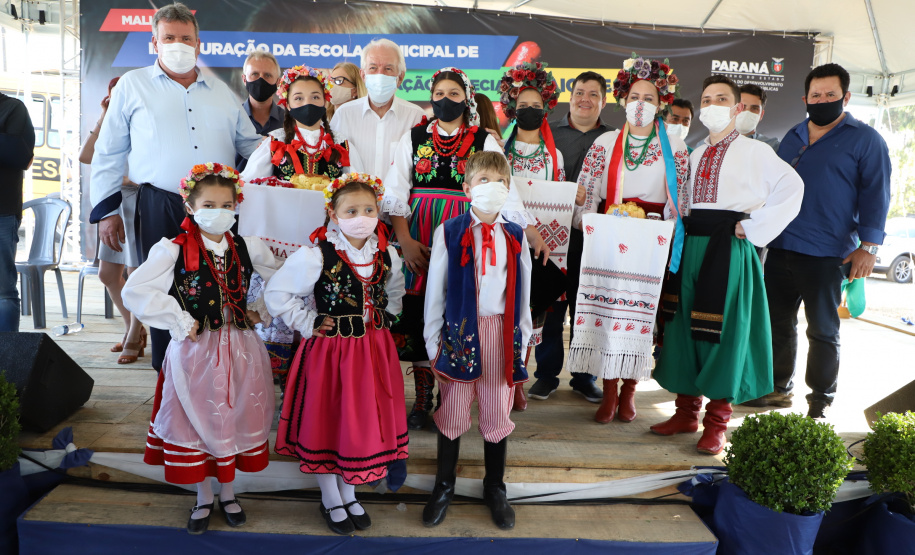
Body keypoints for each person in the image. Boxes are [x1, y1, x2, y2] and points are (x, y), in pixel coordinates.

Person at [90, 2, 263, 373]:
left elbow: (251, 147)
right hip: (159, 204)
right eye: (169, 38)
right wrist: (105, 211)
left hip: (216, 211)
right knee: (162, 287)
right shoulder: (132, 86)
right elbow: (108, 152)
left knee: (215, 286)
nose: (178, 45)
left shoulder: (221, 92)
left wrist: (293, 147)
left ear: (199, 44)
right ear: (155, 42)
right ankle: (167, 373)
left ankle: (214, 372)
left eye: (186, 38)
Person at [650, 75, 804, 454]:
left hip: (728, 249)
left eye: (722, 98)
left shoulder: (756, 152)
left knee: (724, 332)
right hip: (691, 246)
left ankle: (717, 421)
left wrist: (753, 226)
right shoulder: (696, 152)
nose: (712, 104)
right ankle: (686, 412)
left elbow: (793, 187)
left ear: (737, 107)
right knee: (685, 325)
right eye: (706, 99)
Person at [122, 164, 279, 534]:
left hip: (241, 348)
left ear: (237, 205)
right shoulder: (173, 249)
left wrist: (262, 308)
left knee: (233, 414)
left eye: (227, 204)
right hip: (197, 350)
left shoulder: (247, 245)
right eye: (209, 203)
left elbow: (281, 277)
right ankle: (203, 494)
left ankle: (229, 492)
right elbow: (135, 290)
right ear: (190, 206)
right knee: (198, 419)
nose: (219, 210)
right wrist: (177, 319)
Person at [383, 67, 539, 431]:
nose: (445, 100)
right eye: (439, 93)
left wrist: (530, 232)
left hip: (464, 230)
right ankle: (423, 395)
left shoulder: (482, 140)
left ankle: (453, 391)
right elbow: (396, 192)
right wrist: (405, 241)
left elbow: (506, 189)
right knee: (419, 311)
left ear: (467, 99)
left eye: (454, 94)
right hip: (419, 230)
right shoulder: (413, 136)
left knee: (457, 304)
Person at [267, 173, 407, 535]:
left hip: (373, 351)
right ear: (333, 212)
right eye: (351, 210)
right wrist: (308, 320)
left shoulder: (386, 253)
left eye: (369, 209)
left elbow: (395, 290)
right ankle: (331, 495)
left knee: (359, 420)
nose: (361, 215)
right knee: (330, 418)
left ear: (379, 212)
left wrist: (386, 317)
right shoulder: (317, 255)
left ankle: (350, 490)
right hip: (331, 354)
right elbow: (278, 293)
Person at [751, 63, 891, 418]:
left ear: (845, 97)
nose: (823, 100)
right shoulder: (793, 136)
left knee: (824, 330)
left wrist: (869, 248)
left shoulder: (866, 139)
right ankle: (777, 387)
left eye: (831, 94)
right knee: (777, 324)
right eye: (816, 95)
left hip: (828, 253)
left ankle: (820, 401)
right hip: (780, 246)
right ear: (805, 99)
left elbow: (877, 195)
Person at [574, 54, 690, 424]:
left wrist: (666, 238)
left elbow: (679, 203)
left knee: (642, 319)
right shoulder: (605, 143)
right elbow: (586, 194)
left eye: (650, 98)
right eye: (635, 97)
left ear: (661, 104)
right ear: (624, 100)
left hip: (650, 247)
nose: (641, 104)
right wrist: (592, 225)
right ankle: (608, 391)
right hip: (609, 242)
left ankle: (629, 392)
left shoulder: (677, 148)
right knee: (607, 315)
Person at [422, 151, 532, 530]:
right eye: (484, 181)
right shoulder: (450, 231)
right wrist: (433, 339)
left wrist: (525, 336)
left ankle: (495, 487)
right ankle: (443, 485)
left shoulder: (514, 234)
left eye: (500, 182)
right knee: (452, 408)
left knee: (496, 411)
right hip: (459, 334)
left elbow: (524, 292)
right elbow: (436, 290)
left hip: (501, 333)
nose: (493, 188)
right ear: (467, 188)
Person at [241, 64, 362, 379]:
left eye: (314, 96)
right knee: (279, 305)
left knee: (318, 302)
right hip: (278, 247)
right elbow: (248, 187)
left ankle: (314, 382)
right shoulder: (275, 142)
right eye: (298, 97)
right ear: (287, 102)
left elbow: (356, 188)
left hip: (324, 245)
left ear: (326, 100)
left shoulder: (343, 144)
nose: (307, 103)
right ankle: (276, 384)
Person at [531, 71, 612, 404]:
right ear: (570, 96)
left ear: (604, 101)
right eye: (580, 92)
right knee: (550, 302)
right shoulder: (547, 133)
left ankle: (584, 377)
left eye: (594, 94)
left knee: (586, 304)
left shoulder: (613, 139)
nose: (585, 99)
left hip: (593, 236)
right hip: (549, 233)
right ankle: (546, 375)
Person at [498, 62, 574, 410]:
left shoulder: (554, 155)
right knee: (502, 311)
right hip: (506, 238)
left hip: (544, 243)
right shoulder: (500, 149)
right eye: (522, 106)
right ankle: (500, 377)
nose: (529, 111)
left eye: (535, 106)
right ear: (512, 109)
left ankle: (519, 379)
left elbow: (559, 198)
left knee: (532, 314)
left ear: (546, 110)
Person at [79, 77, 147, 364]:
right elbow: (85, 156)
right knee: (108, 275)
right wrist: (104, 115)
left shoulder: (146, 117)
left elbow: (147, 170)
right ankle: (131, 325)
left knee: (137, 274)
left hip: (140, 198)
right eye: (114, 93)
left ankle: (134, 333)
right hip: (113, 200)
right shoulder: (110, 119)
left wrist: (122, 178)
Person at [330, 38, 426, 179]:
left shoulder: (416, 117)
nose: (380, 74)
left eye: (388, 69)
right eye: (373, 68)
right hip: (354, 199)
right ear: (363, 75)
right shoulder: (344, 115)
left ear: (400, 77)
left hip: (401, 201)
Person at [0, 91, 35, 333]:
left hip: (1, 211)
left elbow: (20, 155)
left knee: (2, 290)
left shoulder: (12, 108)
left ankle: (6, 362)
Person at [236, 50, 285, 171]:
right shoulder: (232, 118)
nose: (260, 80)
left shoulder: (289, 120)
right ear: (244, 79)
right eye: (255, 74)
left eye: (267, 75)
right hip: (238, 188)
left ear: (278, 82)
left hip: (280, 189)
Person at [736, 84, 780, 151]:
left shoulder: (772, 146)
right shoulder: (717, 143)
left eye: (754, 108)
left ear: (761, 115)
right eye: (742, 107)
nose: (747, 112)